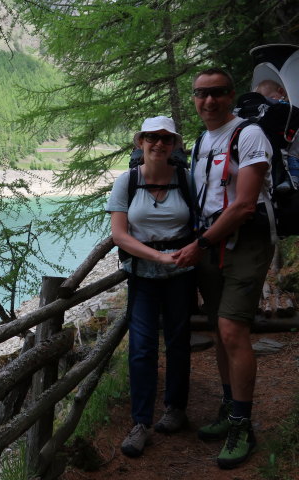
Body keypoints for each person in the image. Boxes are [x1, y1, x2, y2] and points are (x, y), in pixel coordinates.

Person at [173, 68, 275, 469]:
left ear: (232, 95)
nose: (209, 101)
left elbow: (245, 203)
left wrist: (200, 243)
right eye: (201, 94)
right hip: (212, 243)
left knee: (232, 328)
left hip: (244, 242)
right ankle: (229, 407)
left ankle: (242, 424)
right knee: (218, 329)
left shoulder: (248, 134)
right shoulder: (203, 140)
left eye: (217, 93)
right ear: (194, 98)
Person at [106, 116, 196, 458]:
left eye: (166, 139)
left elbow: (201, 222)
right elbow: (120, 235)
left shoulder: (186, 180)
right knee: (142, 347)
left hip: (182, 276)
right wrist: (159, 258)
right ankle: (141, 422)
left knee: (178, 341)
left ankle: (175, 409)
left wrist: (187, 254)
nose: (158, 144)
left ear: (174, 145)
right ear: (140, 142)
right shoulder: (126, 182)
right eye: (152, 138)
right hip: (143, 276)